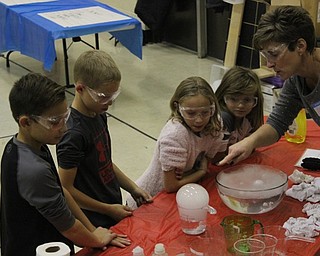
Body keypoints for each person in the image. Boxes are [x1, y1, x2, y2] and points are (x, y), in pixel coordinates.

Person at [1, 73, 130, 256]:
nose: (64, 127)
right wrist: (96, 239)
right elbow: (69, 228)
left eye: (65, 116)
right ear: (26, 122)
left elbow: (61, 192)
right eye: (54, 122)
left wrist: (92, 229)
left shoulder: (26, 145)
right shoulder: (33, 169)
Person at [56, 50, 153, 229]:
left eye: (114, 96)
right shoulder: (73, 134)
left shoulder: (98, 114)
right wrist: (107, 209)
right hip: (94, 220)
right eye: (103, 97)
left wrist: (132, 187)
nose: (109, 103)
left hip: (111, 206)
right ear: (80, 88)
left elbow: (104, 162)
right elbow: (66, 189)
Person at [219, 5, 320, 166]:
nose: (270, 64)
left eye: (274, 54)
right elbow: (277, 123)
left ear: (300, 46)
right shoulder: (296, 80)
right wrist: (249, 142)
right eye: (265, 56)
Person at [126, 76, 228, 209]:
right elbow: (171, 185)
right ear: (177, 107)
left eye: (205, 112)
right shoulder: (174, 135)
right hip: (149, 199)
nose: (199, 120)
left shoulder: (215, 123)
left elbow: (209, 157)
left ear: (212, 107)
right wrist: (201, 171)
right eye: (191, 113)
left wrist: (190, 173)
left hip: (180, 193)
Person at [215, 66, 264, 146]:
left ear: (256, 100)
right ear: (223, 97)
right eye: (233, 99)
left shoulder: (252, 115)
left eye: (247, 100)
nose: (241, 105)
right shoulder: (223, 118)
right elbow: (218, 155)